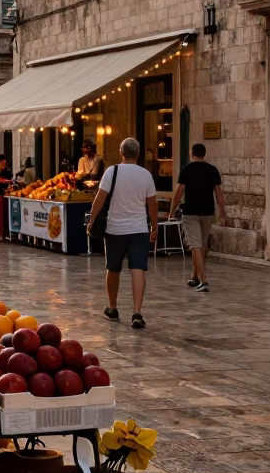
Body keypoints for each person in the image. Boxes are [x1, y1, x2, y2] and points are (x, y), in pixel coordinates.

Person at [88, 137, 158, 329]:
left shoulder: (112, 171)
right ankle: (137, 311)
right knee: (138, 269)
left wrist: (91, 220)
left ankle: (113, 307)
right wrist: (155, 226)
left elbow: (100, 197)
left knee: (113, 268)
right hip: (139, 229)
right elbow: (152, 203)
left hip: (115, 229)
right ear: (138, 154)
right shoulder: (146, 175)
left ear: (121, 153)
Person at [169, 143, 225, 292]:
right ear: (204, 154)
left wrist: (172, 210)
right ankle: (194, 276)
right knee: (202, 244)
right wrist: (223, 211)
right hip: (208, 212)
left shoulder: (187, 169)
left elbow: (179, 192)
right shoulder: (212, 170)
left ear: (191, 153)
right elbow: (219, 194)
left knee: (195, 245)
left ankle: (203, 279)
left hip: (191, 212)